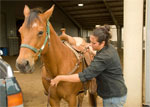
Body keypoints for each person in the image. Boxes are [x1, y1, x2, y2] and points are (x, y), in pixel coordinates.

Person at [51, 25, 127, 107]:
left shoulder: (103, 58)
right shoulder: (110, 48)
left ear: (102, 43)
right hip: (116, 92)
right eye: (90, 41)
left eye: (93, 43)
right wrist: (92, 52)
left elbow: (83, 76)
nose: (90, 45)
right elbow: (101, 54)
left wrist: (60, 77)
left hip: (113, 98)